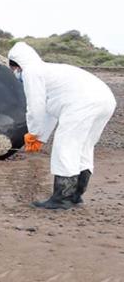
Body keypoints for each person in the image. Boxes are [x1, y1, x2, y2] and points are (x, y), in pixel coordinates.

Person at [9, 41, 116, 209]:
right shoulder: (49, 70)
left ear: (17, 66)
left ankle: (61, 199)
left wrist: (33, 134)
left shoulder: (31, 72)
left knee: (65, 146)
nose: (14, 73)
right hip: (105, 100)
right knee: (84, 147)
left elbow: (36, 107)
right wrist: (41, 138)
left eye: (13, 70)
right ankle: (76, 195)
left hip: (83, 102)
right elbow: (49, 112)